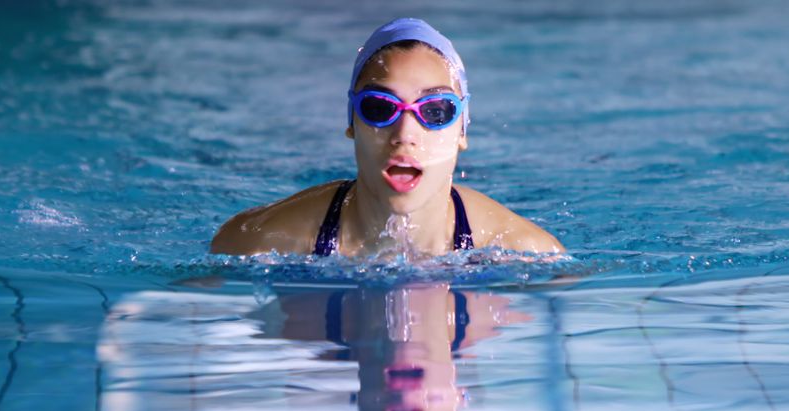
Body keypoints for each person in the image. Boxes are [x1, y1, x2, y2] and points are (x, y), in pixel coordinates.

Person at [210, 18, 565, 258]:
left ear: (462, 131)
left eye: (435, 111)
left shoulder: (526, 251)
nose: (405, 135)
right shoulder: (256, 240)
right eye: (380, 108)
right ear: (351, 123)